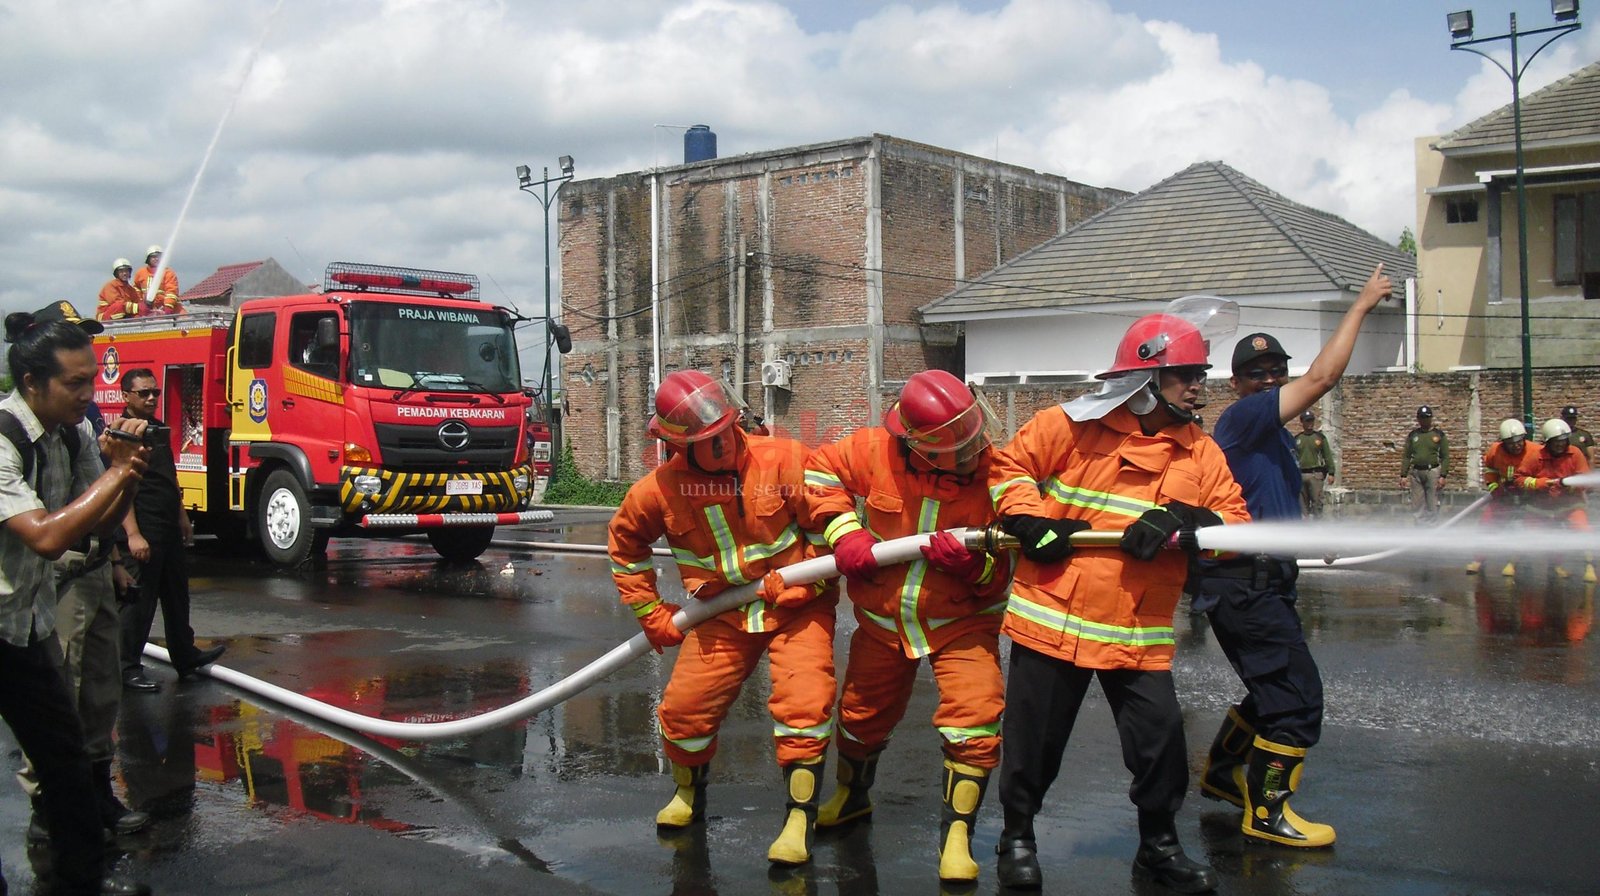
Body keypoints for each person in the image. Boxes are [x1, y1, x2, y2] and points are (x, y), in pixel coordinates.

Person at [988, 309, 1248, 893]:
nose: (1198, 384)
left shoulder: (1200, 453)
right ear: (1145, 379)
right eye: (1184, 374)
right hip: (1055, 618)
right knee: (1034, 744)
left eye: (1199, 372)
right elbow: (1008, 468)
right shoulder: (1071, 426)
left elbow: (1236, 526)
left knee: (1161, 751)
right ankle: (1018, 839)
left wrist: (1188, 517)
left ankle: (1159, 850)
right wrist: (1027, 519)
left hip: (1137, 630)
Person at [1194, 263, 1391, 852]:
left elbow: (1268, 501)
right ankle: (1268, 811)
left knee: (1270, 691)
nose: (1267, 380)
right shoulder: (1246, 416)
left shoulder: (1272, 434)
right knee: (1297, 703)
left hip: (1261, 581)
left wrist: (1307, 539)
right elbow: (1326, 376)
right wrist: (1359, 306)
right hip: (1243, 585)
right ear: (1237, 385)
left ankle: (1227, 777)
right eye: (1255, 374)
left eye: (1275, 371)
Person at [607, 370, 838, 866]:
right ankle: (688, 795)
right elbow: (626, 547)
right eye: (709, 441)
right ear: (676, 445)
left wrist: (806, 580)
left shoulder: (785, 460)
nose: (723, 446)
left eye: (726, 433)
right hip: (721, 613)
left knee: (805, 702)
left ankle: (800, 817)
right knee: (685, 710)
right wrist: (652, 613)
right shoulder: (659, 491)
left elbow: (831, 525)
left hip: (796, 607)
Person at [802, 370, 1010, 883]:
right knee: (859, 716)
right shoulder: (873, 452)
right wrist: (844, 531)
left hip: (963, 620)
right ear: (914, 443)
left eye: (971, 439)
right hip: (882, 621)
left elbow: (1007, 560)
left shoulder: (997, 473)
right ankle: (851, 798)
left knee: (976, 717)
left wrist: (973, 566)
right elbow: (818, 474)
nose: (968, 454)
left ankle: (957, 837)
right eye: (953, 448)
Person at [0, 309, 153, 895]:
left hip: (24, 622)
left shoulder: (75, 430)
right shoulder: (5, 436)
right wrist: (117, 472)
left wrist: (129, 472)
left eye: (93, 380)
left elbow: (99, 518)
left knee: (64, 759)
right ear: (32, 382)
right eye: (75, 383)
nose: (89, 394)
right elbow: (47, 535)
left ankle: (83, 878)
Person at [118, 367, 225, 691]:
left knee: (177, 595)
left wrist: (181, 516)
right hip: (143, 527)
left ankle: (185, 654)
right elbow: (121, 490)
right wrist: (133, 534)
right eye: (144, 393)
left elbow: (168, 476)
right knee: (140, 602)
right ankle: (127, 668)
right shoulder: (123, 433)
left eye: (155, 392)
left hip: (167, 525)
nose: (152, 398)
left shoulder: (154, 430)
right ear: (126, 397)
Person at [1517, 418, 1594, 581]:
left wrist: (1571, 486)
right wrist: (1542, 483)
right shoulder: (1535, 456)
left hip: (1570, 504)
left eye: (1563, 441)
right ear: (1548, 442)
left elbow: (1585, 479)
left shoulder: (1575, 453)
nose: (1560, 444)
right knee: (1527, 534)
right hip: (1540, 506)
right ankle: (1520, 564)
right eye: (1556, 442)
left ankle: (1589, 566)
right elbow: (1520, 479)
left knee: (1583, 530)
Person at [1468, 419, 1532, 577]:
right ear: (1504, 443)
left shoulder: (1535, 452)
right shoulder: (1495, 450)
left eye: (1519, 441)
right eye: (1511, 443)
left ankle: (1512, 563)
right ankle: (1479, 559)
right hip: (1503, 497)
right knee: (1486, 524)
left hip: (1526, 498)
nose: (1516, 446)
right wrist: (1494, 486)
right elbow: (1490, 470)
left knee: (1519, 530)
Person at [1400, 405, 1449, 523]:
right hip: (1416, 472)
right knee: (1417, 502)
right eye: (1421, 418)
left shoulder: (1438, 435)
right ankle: (1419, 526)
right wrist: (1403, 474)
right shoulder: (1413, 435)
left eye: (1426, 417)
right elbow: (1407, 455)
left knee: (1432, 501)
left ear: (1431, 418)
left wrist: (1443, 475)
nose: (1423, 420)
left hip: (1432, 470)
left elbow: (1445, 456)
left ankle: (1432, 526)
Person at [1293, 409, 1334, 518]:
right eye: (1307, 421)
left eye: (1311, 421)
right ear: (1302, 422)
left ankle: (1318, 524)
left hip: (1316, 474)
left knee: (1317, 501)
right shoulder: (1297, 439)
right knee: (1303, 503)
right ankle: (1306, 525)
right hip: (1301, 474)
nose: (1310, 423)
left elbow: (1327, 455)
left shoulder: (1319, 438)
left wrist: (1331, 472)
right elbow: (1293, 457)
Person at [130, 246, 181, 316]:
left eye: (159, 257)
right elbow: (136, 289)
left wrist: (168, 306)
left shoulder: (168, 272)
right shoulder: (140, 272)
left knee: (185, 319)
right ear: (148, 259)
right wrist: (140, 303)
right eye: (153, 257)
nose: (156, 259)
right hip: (146, 307)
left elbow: (172, 291)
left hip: (166, 306)